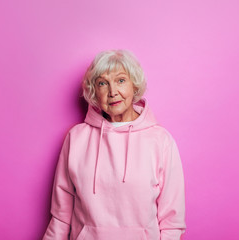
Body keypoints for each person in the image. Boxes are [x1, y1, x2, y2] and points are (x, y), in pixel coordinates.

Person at [43, 49, 186, 240]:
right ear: (94, 92)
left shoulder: (161, 141)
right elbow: (61, 216)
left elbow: (172, 223)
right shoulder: (76, 138)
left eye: (120, 80)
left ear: (134, 86)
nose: (112, 92)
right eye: (103, 83)